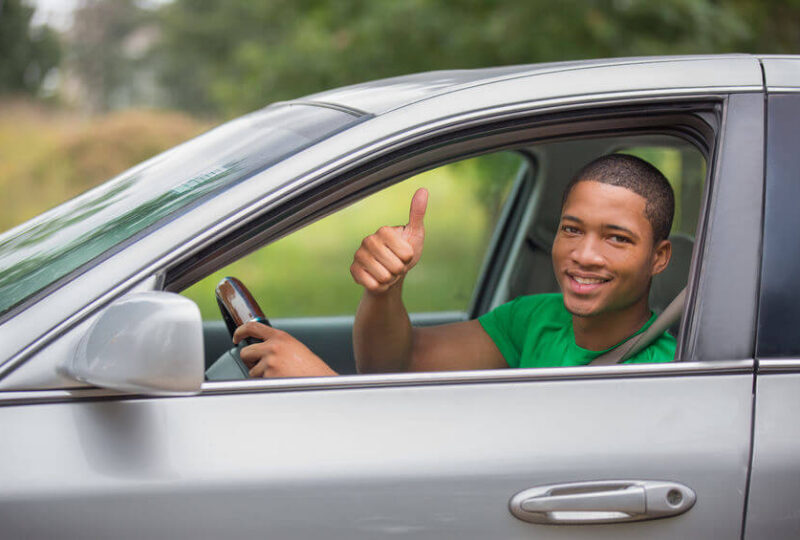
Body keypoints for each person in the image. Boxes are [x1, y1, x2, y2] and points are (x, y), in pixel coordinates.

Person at [233, 154, 676, 377]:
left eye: (617, 238)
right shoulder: (537, 318)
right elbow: (399, 362)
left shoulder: (662, 370)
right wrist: (385, 289)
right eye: (572, 230)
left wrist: (321, 389)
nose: (584, 254)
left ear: (659, 257)